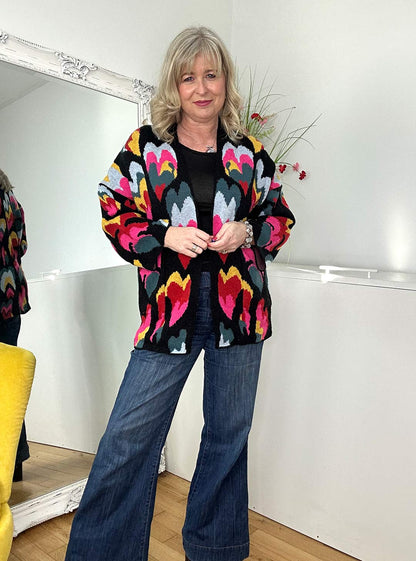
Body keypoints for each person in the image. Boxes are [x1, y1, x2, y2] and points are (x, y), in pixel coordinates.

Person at [65, 26, 295, 561]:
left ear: (224, 83)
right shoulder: (147, 148)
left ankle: (216, 549)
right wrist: (164, 236)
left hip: (240, 310)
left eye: (211, 75)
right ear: (175, 85)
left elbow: (280, 218)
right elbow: (113, 208)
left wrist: (249, 233)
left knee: (228, 435)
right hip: (170, 310)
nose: (201, 87)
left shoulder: (250, 153)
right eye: (188, 77)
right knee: (128, 438)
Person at [0, 168, 31, 482]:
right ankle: (16, 462)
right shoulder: (13, 203)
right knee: (8, 384)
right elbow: (21, 246)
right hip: (11, 301)